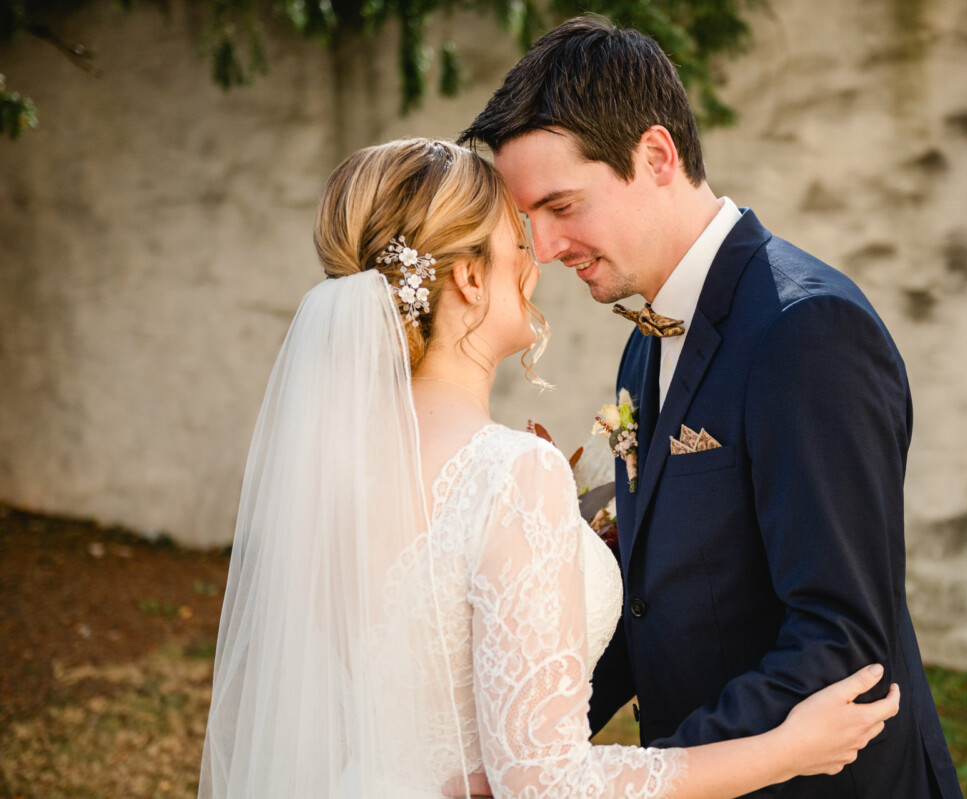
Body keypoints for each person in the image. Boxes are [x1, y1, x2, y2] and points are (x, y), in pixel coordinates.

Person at [196, 138, 900, 799]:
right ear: (470, 277)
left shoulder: (331, 470)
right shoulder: (509, 473)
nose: (542, 257)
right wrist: (783, 748)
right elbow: (549, 785)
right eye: (519, 238)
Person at [459, 16, 963, 799]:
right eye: (532, 220)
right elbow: (647, 597)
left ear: (655, 155)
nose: (547, 247)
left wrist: (654, 775)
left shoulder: (808, 333)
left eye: (562, 206)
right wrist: (529, 757)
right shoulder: (644, 340)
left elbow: (840, 642)